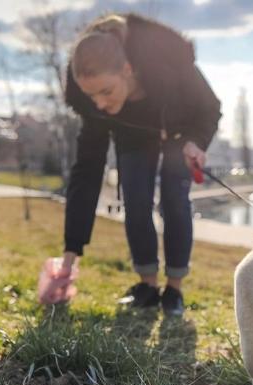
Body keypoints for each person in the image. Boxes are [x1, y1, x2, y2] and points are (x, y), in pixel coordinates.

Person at [56, 13, 221, 316]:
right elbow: (86, 172)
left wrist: (196, 141)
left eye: (106, 91)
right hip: (131, 134)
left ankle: (174, 289)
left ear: (128, 70)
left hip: (179, 130)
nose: (100, 104)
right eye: (91, 95)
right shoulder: (96, 107)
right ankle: (147, 286)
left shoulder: (170, 64)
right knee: (135, 199)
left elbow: (210, 108)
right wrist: (70, 253)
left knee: (174, 196)